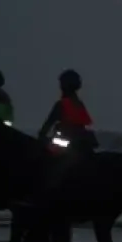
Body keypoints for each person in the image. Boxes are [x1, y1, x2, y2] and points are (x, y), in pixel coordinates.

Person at [31, 69, 98, 205]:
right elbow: (83, 124)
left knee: (41, 164)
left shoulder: (61, 104)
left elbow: (45, 128)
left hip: (65, 146)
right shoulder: (79, 104)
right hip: (82, 146)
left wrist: (42, 139)